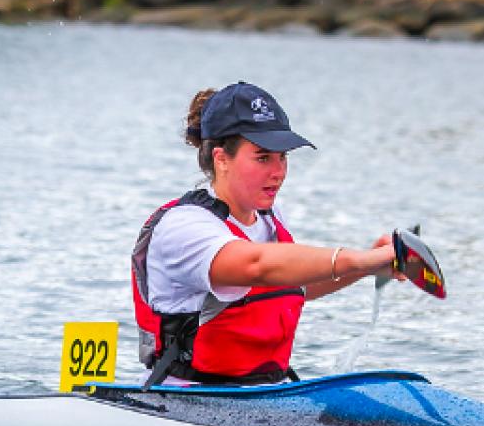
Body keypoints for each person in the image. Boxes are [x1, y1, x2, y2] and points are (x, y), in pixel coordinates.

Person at [132, 81, 401, 388]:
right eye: (262, 158)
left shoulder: (269, 219)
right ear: (221, 159)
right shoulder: (184, 227)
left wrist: (369, 267)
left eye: (282, 156)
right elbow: (257, 266)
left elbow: (293, 284)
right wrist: (359, 258)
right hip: (188, 402)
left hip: (262, 396)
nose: (278, 172)